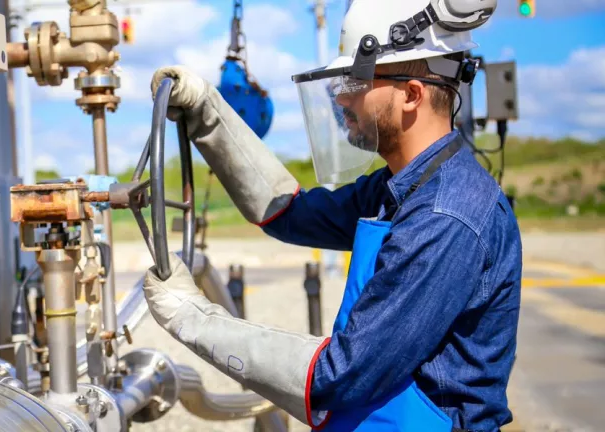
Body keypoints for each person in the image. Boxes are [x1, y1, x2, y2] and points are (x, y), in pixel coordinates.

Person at [142, 0, 521, 430]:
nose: (341, 96)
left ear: (412, 94)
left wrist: (194, 318)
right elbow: (291, 213)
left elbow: (343, 375)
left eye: (356, 79)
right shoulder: (403, 186)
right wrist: (209, 115)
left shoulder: (446, 214)